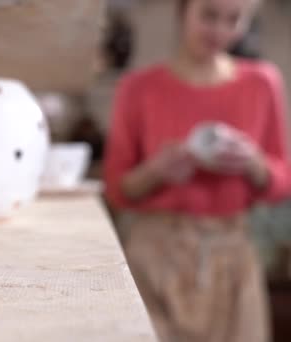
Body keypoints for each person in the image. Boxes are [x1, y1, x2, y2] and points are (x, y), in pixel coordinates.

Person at [103, 0, 290, 341]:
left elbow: (282, 183)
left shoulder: (262, 82)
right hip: (155, 256)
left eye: (234, 20)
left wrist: (253, 163)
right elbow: (116, 189)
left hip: (232, 259)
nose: (220, 30)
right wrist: (156, 171)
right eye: (209, 15)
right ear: (182, 12)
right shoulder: (138, 87)